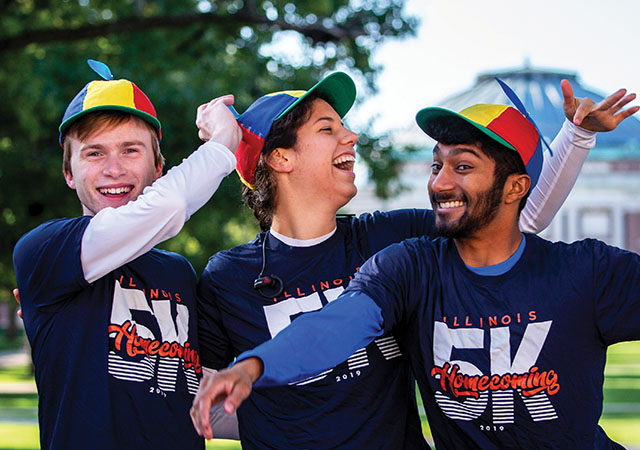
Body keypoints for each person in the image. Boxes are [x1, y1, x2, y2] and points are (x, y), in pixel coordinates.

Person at [193, 72, 637, 448]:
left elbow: (514, 214)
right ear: (280, 158)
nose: (352, 135)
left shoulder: (392, 241)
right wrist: (262, 387)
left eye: (460, 166)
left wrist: (577, 136)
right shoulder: (231, 275)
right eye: (328, 128)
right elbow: (208, 399)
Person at [12, 60, 240, 449]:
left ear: (157, 167)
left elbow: (193, 400)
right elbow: (168, 206)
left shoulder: (179, 273)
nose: (113, 169)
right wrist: (223, 143)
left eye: (130, 150)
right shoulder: (43, 250)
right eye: (94, 153)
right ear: (69, 172)